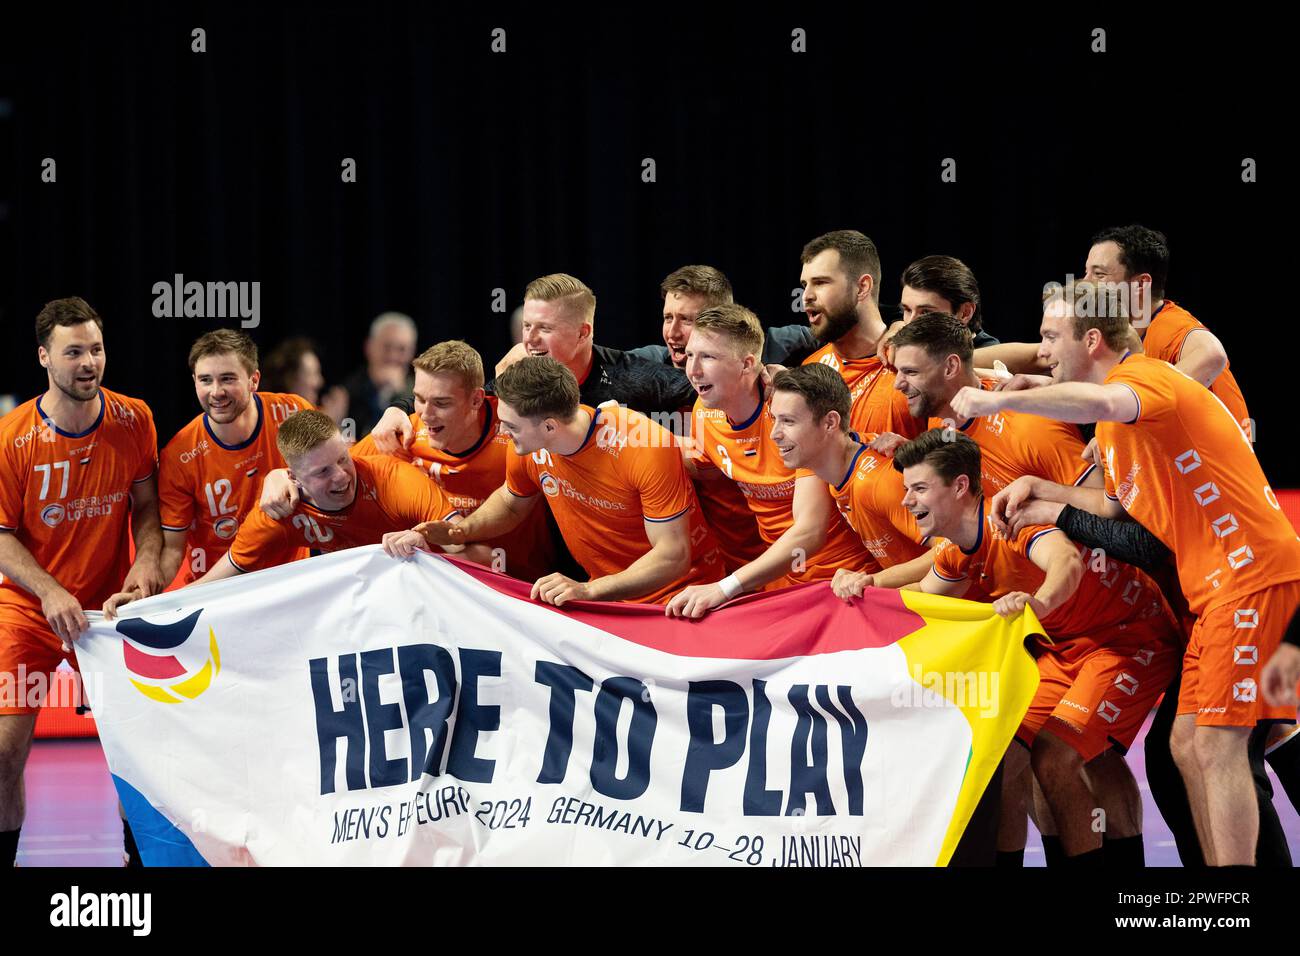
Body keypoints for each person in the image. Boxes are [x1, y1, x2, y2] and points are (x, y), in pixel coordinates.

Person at [964, 281, 1300, 865]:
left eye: (1049, 338)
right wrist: (1042, 489)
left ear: (1092, 339)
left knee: (1218, 746)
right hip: (1213, 593)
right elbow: (1115, 508)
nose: (1042, 351)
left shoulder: (1143, 379)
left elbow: (1101, 401)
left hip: (1253, 577)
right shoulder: (1117, 431)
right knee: (1187, 745)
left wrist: (998, 402)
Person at [897, 429, 1180, 865]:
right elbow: (917, 601)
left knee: (1055, 756)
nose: (907, 502)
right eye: (906, 490)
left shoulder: (1012, 521)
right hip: (1065, 650)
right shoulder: (957, 550)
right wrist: (853, 587)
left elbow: (1064, 562)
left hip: (1128, 638)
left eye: (918, 489)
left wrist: (1038, 603)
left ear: (958, 487)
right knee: (1004, 753)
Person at [0, 297, 164, 868]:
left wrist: (147, 561)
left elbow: (147, 508)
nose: (89, 362)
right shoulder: (12, 436)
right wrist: (48, 591)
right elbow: (0, 536)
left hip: (108, 608)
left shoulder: (134, 418)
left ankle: (137, 865)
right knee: (4, 750)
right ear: (44, 357)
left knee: (136, 748)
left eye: (95, 349)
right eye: (74, 352)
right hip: (28, 608)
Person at [415, 357, 723, 606]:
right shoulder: (529, 445)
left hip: (685, 597)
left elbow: (673, 556)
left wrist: (587, 591)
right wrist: (460, 530)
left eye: (511, 426)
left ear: (549, 426)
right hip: (608, 599)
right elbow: (511, 502)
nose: (505, 433)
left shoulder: (644, 444)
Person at [263, 341, 557, 583]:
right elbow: (328, 469)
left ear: (477, 400)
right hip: (447, 589)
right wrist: (279, 477)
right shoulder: (403, 433)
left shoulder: (518, 436)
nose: (426, 415)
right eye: (418, 398)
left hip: (530, 589)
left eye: (441, 403)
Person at [106, 410, 485, 592]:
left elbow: (476, 554)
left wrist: (427, 545)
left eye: (342, 459)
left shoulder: (393, 478)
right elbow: (214, 583)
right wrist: (142, 610)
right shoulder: (280, 511)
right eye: (322, 472)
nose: (340, 476)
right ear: (294, 479)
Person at [664, 306, 877, 618]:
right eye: (691, 355)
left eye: (707, 357)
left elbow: (809, 532)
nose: (692, 369)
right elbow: (704, 466)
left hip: (845, 584)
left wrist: (724, 587)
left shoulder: (793, 413)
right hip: (779, 582)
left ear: (748, 364)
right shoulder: (704, 412)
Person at [145, 330, 313, 590]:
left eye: (227, 379)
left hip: (290, 584)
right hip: (219, 594)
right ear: (194, 382)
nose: (216, 391)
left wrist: (284, 476)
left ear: (253, 380)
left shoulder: (293, 413)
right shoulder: (180, 454)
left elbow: (330, 479)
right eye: (205, 380)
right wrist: (142, 593)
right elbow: (172, 552)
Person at [763, 364, 941, 594]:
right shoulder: (840, 468)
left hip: (969, 613)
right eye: (774, 419)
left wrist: (873, 581)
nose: (774, 434)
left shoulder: (878, 481)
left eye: (788, 421)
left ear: (830, 422)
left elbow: (954, 549)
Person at [1084, 224, 1252, 440]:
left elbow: (1212, 355)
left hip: (1217, 469)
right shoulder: (1122, 338)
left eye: (1099, 275)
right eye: (1085, 272)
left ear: (1140, 284)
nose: (1085, 284)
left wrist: (1123, 423)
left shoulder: (1170, 326)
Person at [797, 230, 923, 438]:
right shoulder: (810, 371)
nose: (806, 297)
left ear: (862, 287)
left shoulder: (917, 368)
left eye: (820, 282)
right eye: (805, 285)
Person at [342, 313, 418, 435]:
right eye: (387, 347)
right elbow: (346, 439)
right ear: (369, 347)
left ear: (412, 353)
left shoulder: (421, 397)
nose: (393, 356)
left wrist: (400, 394)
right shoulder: (346, 393)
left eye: (402, 349)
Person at [261, 336, 349, 424]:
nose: (320, 382)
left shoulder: (318, 414)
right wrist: (329, 423)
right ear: (290, 379)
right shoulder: (268, 418)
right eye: (313, 373)